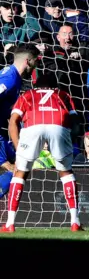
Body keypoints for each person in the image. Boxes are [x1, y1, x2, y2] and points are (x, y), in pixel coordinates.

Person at [2, 73, 82, 232]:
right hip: (58, 126)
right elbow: (76, 122)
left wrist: (18, 148)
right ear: (55, 86)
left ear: (36, 85)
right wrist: (69, 140)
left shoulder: (27, 94)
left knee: (20, 173)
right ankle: (75, 222)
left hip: (33, 126)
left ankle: (10, 223)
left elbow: (13, 121)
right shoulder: (63, 94)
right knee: (66, 172)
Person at [0, 44, 39, 200]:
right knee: (16, 168)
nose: (36, 67)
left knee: (22, 165)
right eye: (36, 62)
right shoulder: (10, 79)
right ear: (28, 61)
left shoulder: (13, 76)